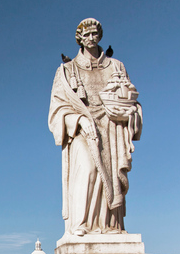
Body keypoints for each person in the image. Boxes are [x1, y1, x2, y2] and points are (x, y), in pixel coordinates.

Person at [48, 18, 143, 237]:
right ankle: (81, 223)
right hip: (81, 128)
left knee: (110, 174)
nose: (92, 38)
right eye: (87, 34)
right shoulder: (67, 70)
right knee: (89, 169)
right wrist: (79, 121)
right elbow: (56, 109)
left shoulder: (116, 66)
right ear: (80, 39)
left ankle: (111, 225)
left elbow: (131, 98)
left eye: (95, 34)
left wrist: (129, 110)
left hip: (111, 126)